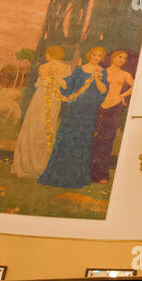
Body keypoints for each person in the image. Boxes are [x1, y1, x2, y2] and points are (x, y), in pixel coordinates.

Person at [38, 46, 108, 188]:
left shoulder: (102, 72)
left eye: (99, 56)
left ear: (102, 58)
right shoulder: (79, 70)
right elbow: (66, 85)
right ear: (90, 55)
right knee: (66, 138)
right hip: (74, 109)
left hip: (89, 111)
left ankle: (77, 177)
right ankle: (57, 175)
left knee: (83, 141)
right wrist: (55, 76)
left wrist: (96, 78)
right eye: (94, 54)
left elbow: (103, 91)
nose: (96, 57)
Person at [12, 45, 72, 178]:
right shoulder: (51, 67)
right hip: (43, 98)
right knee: (39, 126)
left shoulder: (57, 68)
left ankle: (41, 164)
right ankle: (32, 163)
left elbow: (63, 85)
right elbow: (58, 85)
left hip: (49, 98)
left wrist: (53, 76)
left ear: (50, 54)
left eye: (47, 53)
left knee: (43, 127)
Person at [90, 49, 134, 184]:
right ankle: (89, 173)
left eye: (124, 58)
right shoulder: (102, 72)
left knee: (108, 141)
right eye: (119, 57)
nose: (121, 60)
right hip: (100, 106)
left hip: (114, 107)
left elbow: (135, 86)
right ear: (113, 58)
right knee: (95, 139)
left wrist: (122, 96)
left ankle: (102, 175)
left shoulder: (125, 74)